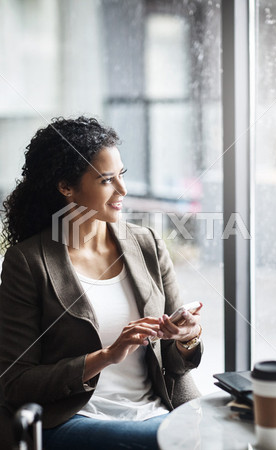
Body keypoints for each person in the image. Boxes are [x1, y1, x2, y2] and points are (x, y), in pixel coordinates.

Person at [0, 116, 203, 450]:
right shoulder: (28, 262)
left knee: (237, 426)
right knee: (169, 442)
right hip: (77, 418)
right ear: (66, 186)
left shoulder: (147, 243)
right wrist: (107, 356)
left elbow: (174, 360)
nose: (122, 190)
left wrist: (187, 337)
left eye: (121, 175)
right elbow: (16, 382)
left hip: (159, 408)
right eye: (106, 180)